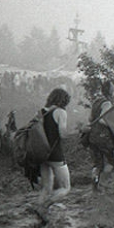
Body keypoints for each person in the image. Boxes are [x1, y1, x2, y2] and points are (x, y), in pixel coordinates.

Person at [37, 87, 72, 215]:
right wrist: (78, 132)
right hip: (55, 154)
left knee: (46, 188)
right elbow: (62, 134)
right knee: (65, 187)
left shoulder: (41, 112)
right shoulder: (60, 112)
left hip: (42, 153)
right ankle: (45, 206)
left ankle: (39, 209)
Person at [87, 80, 114, 191]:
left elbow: (90, 119)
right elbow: (102, 120)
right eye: (113, 88)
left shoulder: (96, 101)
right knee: (110, 161)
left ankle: (95, 184)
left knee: (97, 162)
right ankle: (103, 184)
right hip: (103, 137)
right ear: (111, 91)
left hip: (93, 136)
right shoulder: (107, 103)